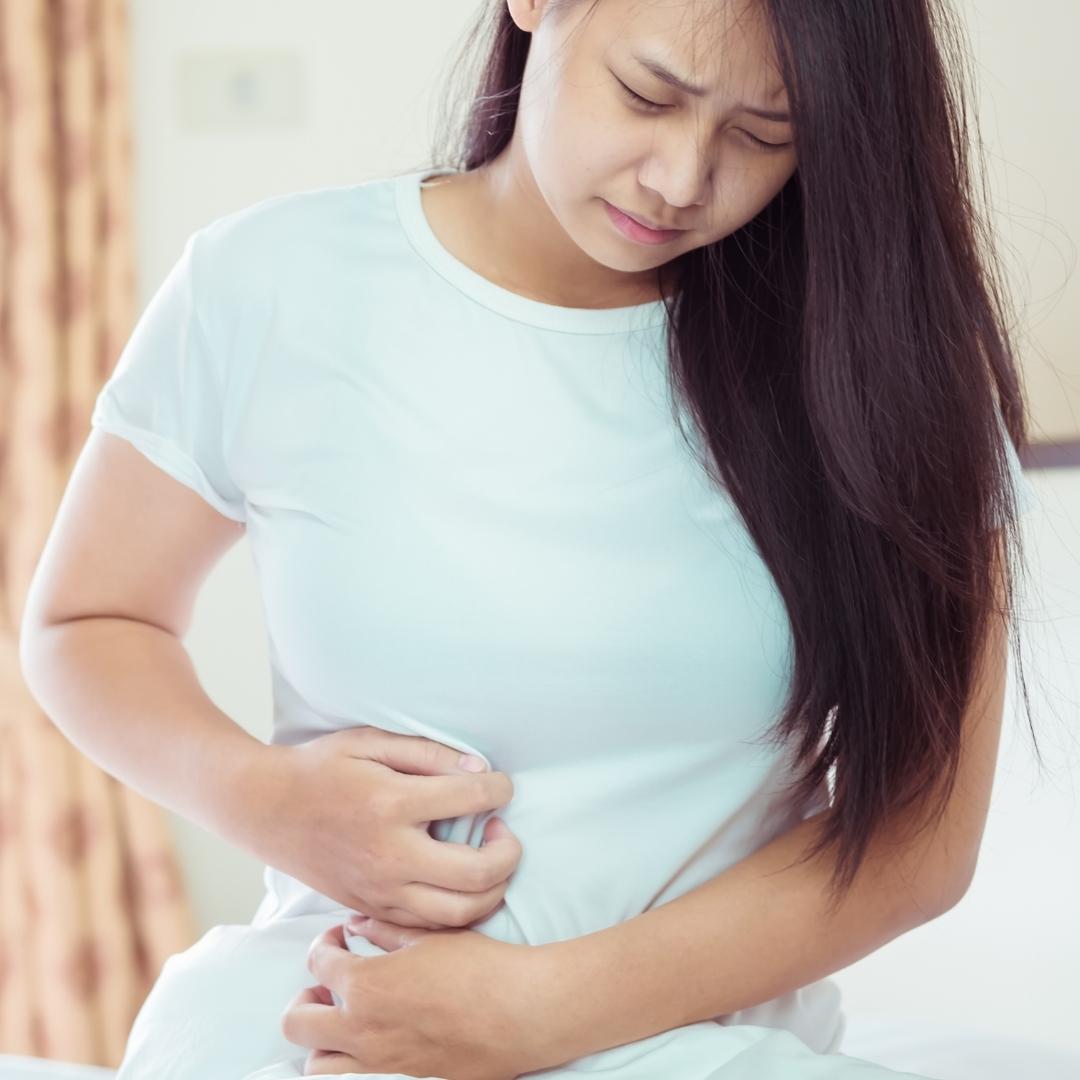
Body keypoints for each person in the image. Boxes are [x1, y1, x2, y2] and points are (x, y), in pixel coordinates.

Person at [19, 1, 1052, 1078]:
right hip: (332, 1022)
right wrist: (262, 798)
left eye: (764, 135)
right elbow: (86, 621)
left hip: (699, 1052)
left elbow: (918, 842)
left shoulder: (887, 367)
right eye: (648, 94)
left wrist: (539, 1013)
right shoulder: (269, 282)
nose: (683, 177)